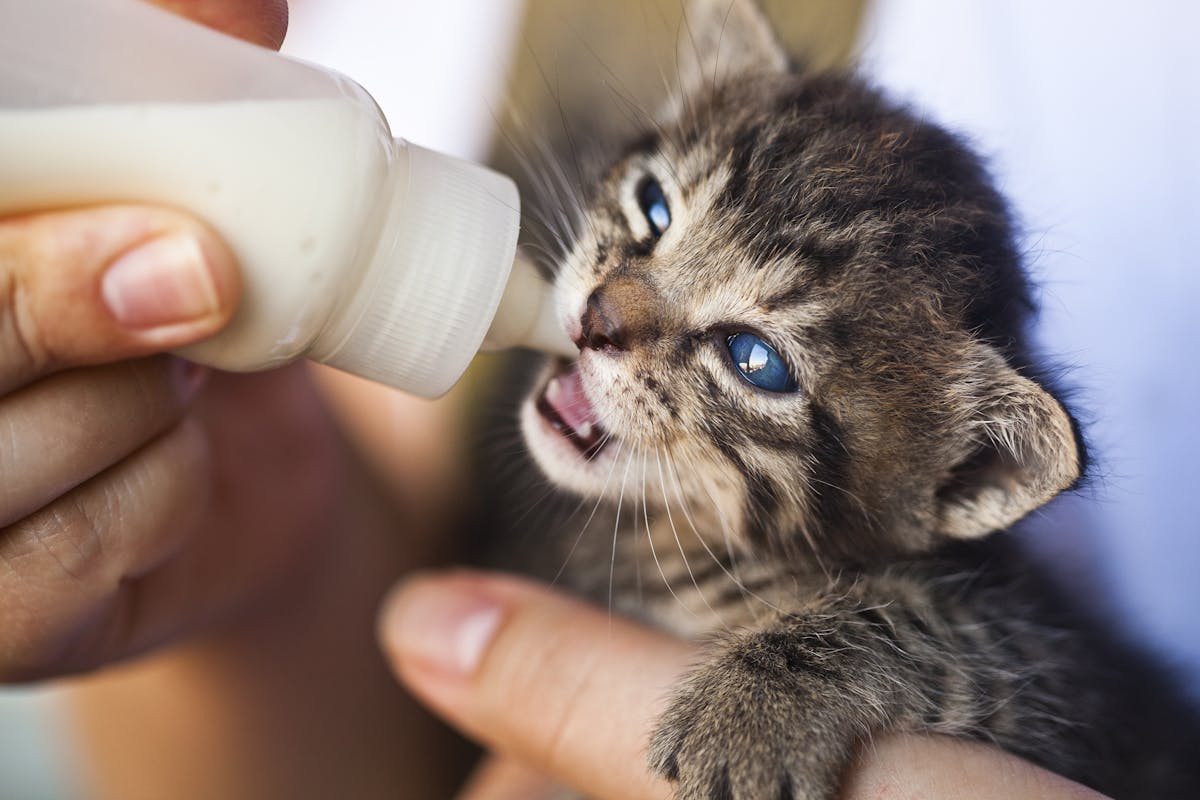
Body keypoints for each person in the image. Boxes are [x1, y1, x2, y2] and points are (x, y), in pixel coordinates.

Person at [0, 1, 1108, 797]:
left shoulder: (902, 521)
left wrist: (800, 674)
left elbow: (1014, 669)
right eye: (656, 209)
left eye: (753, 355)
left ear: (957, 473)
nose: (610, 312)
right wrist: (264, 580)